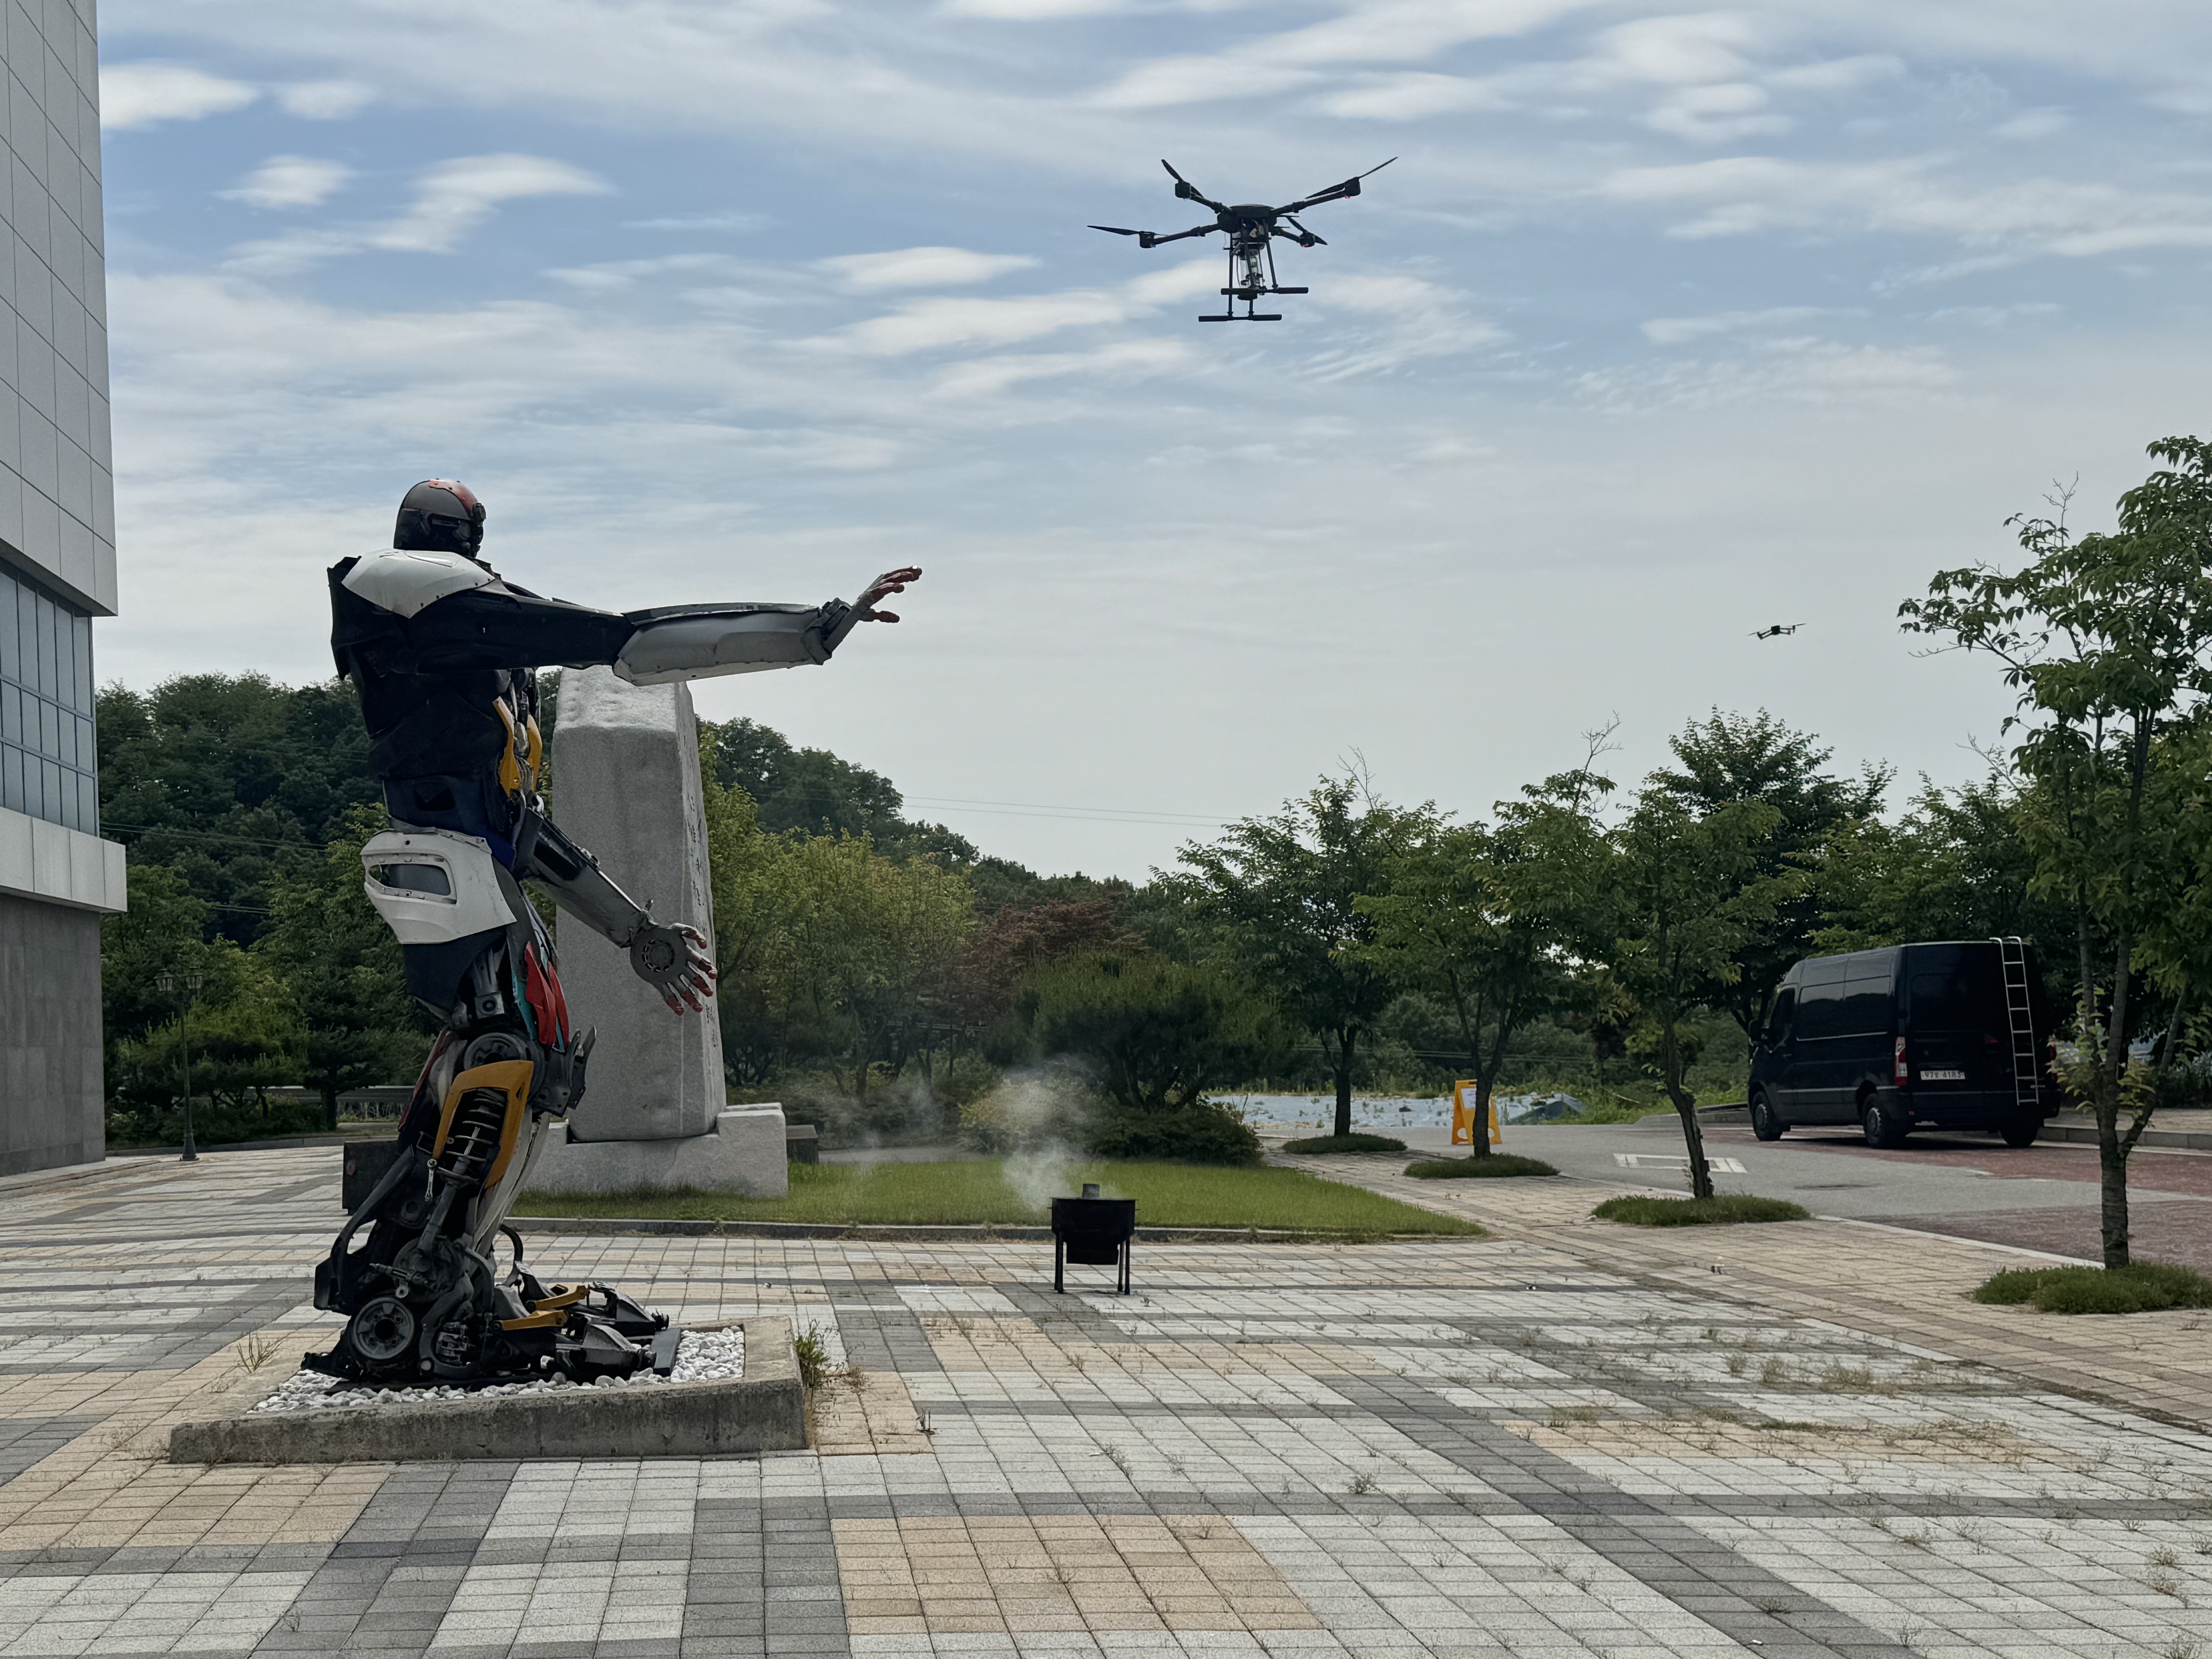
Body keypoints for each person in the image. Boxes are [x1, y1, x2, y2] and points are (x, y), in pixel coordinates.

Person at [309, 477, 920, 1386]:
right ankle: (421, 1271)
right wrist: (808, 630)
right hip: (441, 865)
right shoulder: (407, 595)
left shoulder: (465, 652)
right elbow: (621, 641)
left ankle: (441, 1261)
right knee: (508, 1049)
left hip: (473, 863)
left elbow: (524, 830)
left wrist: (636, 932)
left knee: (530, 1055)